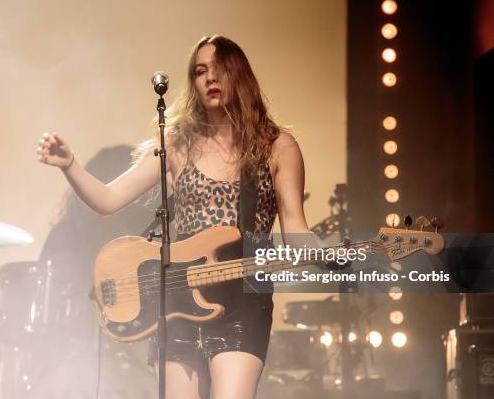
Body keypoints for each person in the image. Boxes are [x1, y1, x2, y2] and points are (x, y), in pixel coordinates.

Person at [37, 35, 312, 399]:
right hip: (179, 302)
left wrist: (328, 253)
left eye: (219, 70)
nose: (210, 79)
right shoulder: (177, 145)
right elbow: (107, 200)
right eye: (200, 72)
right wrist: (69, 165)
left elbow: (295, 226)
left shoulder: (277, 146)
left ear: (240, 76)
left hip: (245, 298)